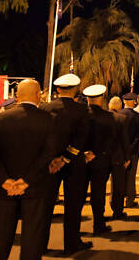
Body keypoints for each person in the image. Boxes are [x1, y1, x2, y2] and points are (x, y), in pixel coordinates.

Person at [0, 79, 59, 260]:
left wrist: (4, 181)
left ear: (16, 96)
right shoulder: (48, 120)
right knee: (32, 237)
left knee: (0, 236)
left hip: (5, 189)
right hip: (35, 187)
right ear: (38, 95)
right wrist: (27, 180)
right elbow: (47, 155)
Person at [40, 74, 92, 255]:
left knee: (45, 205)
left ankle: (41, 244)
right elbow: (80, 138)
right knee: (73, 205)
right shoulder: (81, 110)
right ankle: (72, 244)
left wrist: (53, 159)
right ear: (76, 90)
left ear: (57, 90)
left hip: (49, 163)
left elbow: (42, 137)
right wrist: (65, 158)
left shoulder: (45, 107)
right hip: (73, 163)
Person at [82, 84, 116, 234]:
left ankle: (74, 229)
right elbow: (110, 140)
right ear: (101, 98)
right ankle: (98, 225)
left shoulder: (81, 115)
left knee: (78, 195)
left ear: (87, 99)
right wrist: (96, 152)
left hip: (80, 160)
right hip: (100, 160)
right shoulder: (108, 117)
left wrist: (84, 153)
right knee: (98, 194)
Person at [112, 93, 139, 216]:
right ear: (134, 101)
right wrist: (130, 150)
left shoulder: (117, 114)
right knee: (130, 177)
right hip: (132, 151)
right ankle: (129, 200)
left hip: (118, 152)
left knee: (116, 178)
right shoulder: (138, 116)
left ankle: (114, 201)